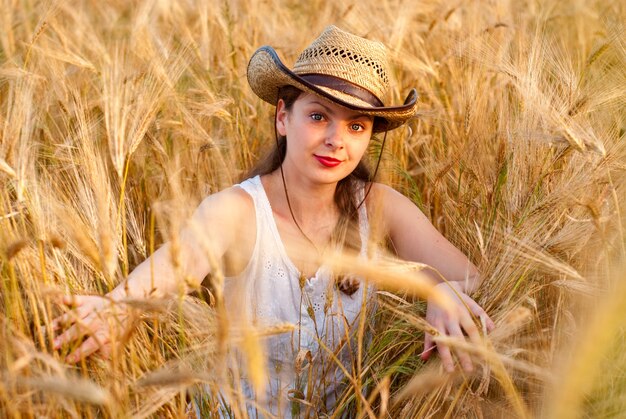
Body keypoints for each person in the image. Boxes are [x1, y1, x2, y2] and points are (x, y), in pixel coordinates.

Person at [52, 26, 495, 417]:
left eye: (356, 126)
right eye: (318, 116)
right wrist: (115, 306)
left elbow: (475, 280)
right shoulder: (237, 211)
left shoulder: (379, 207)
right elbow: (175, 265)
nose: (335, 140)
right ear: (283, 117)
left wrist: (441, 289)